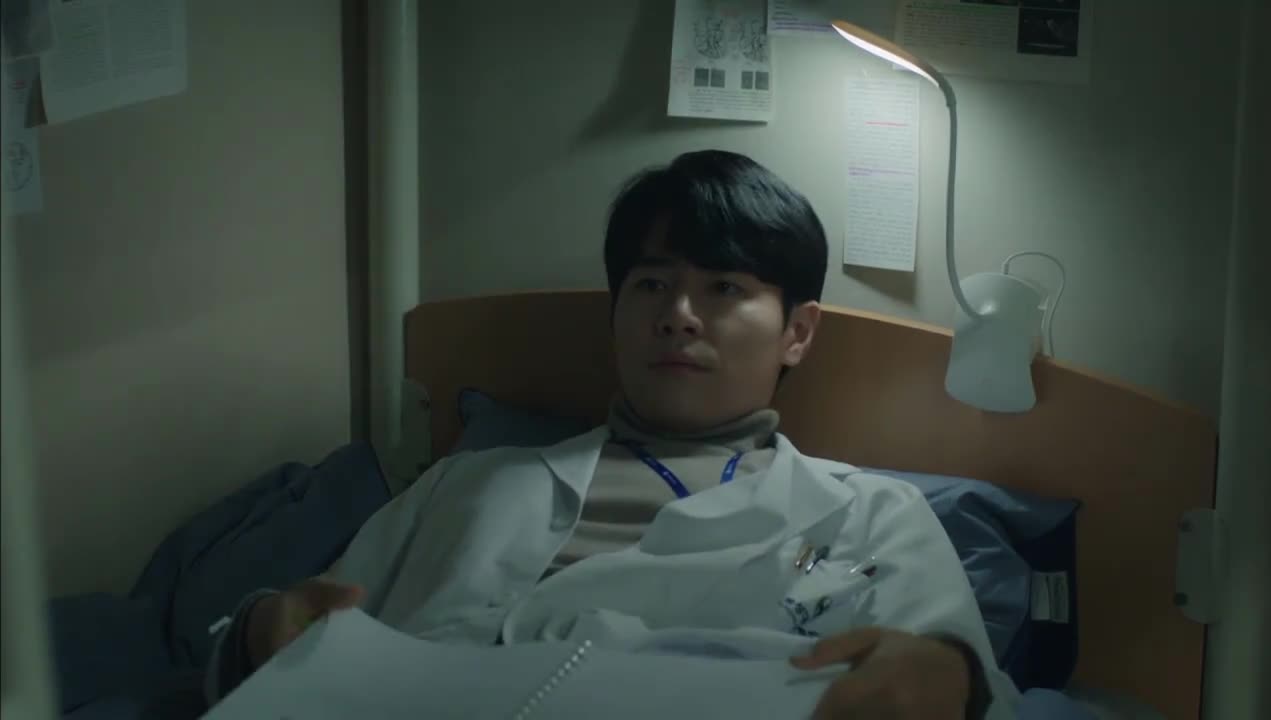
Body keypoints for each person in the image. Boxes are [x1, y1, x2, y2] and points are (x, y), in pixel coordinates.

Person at [205, 150, 1018, 719]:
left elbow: (958, 683)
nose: (679, 314)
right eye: (652, 283)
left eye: (723, 287)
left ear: (797, 333)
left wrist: (946, 678)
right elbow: (307, 640)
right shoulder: (468, 481)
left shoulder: (869, 513)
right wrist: (258, 633)